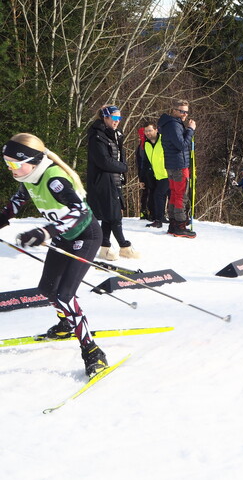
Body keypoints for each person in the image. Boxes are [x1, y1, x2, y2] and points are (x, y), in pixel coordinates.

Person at [1, 133, 108, 376]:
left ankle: (92, 350)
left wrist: (45, 232)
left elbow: (80, 212)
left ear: (32, 161)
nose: (10, 168)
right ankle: (66, 322)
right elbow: (13, 206)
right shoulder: (29, 177)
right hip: (64, 237)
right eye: (7, 163)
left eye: (14, 164)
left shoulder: (53, 179)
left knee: (65, 296)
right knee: (47, 289)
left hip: (86, 236)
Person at [86, 104, 139, 260]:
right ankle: (124, 246)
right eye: (114, 117)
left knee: (109, 215)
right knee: (115, 216)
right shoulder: (97, 135)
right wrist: (123, 167)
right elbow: (103, 161)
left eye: (119, 118)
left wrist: (121, 170)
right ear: (105, 117)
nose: (117, 121)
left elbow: (117, 156)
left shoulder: (114, 134)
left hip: (114, 180)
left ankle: (105, 248)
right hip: (103, 181)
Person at [158, 99, 196, 238]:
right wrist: (190, 130)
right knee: (180, 195)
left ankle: (173, 224)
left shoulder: (171, 124)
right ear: (174, 110)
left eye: (186, 112)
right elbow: (182, 145)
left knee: (174, 194)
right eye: (182, 111)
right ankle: (180, 225)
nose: (184, 114)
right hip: (179, 165)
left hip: (173, 164)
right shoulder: (173, 125)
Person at [141, 121, 169, 229]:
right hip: (155, 175)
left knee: (159, 195)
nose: (148, 133)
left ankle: (159, 220)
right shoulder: (146, 144)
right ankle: (160, 217)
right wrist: (142, 178)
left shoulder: (164, 140)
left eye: (150, 130)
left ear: (156, 130)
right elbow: (145, 162)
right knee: (157, 196)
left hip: (166, 174)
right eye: (146, 131)